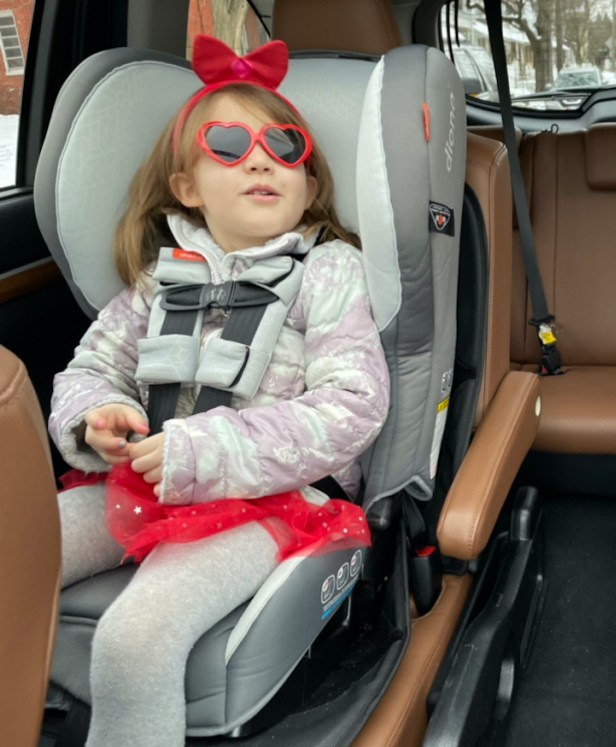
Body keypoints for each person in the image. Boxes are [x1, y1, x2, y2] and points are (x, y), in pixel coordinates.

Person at [48, 35, 390, 746]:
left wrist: (206, 447)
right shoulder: (157, 279)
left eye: (285, 146)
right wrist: (95, 418)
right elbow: (89, 369)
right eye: (228, 142)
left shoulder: (328, 273)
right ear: (187, 187)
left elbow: (354, 405)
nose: (260, 157)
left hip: (266, 500)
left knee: (135, 638)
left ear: (310, 183)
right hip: (141, 479)